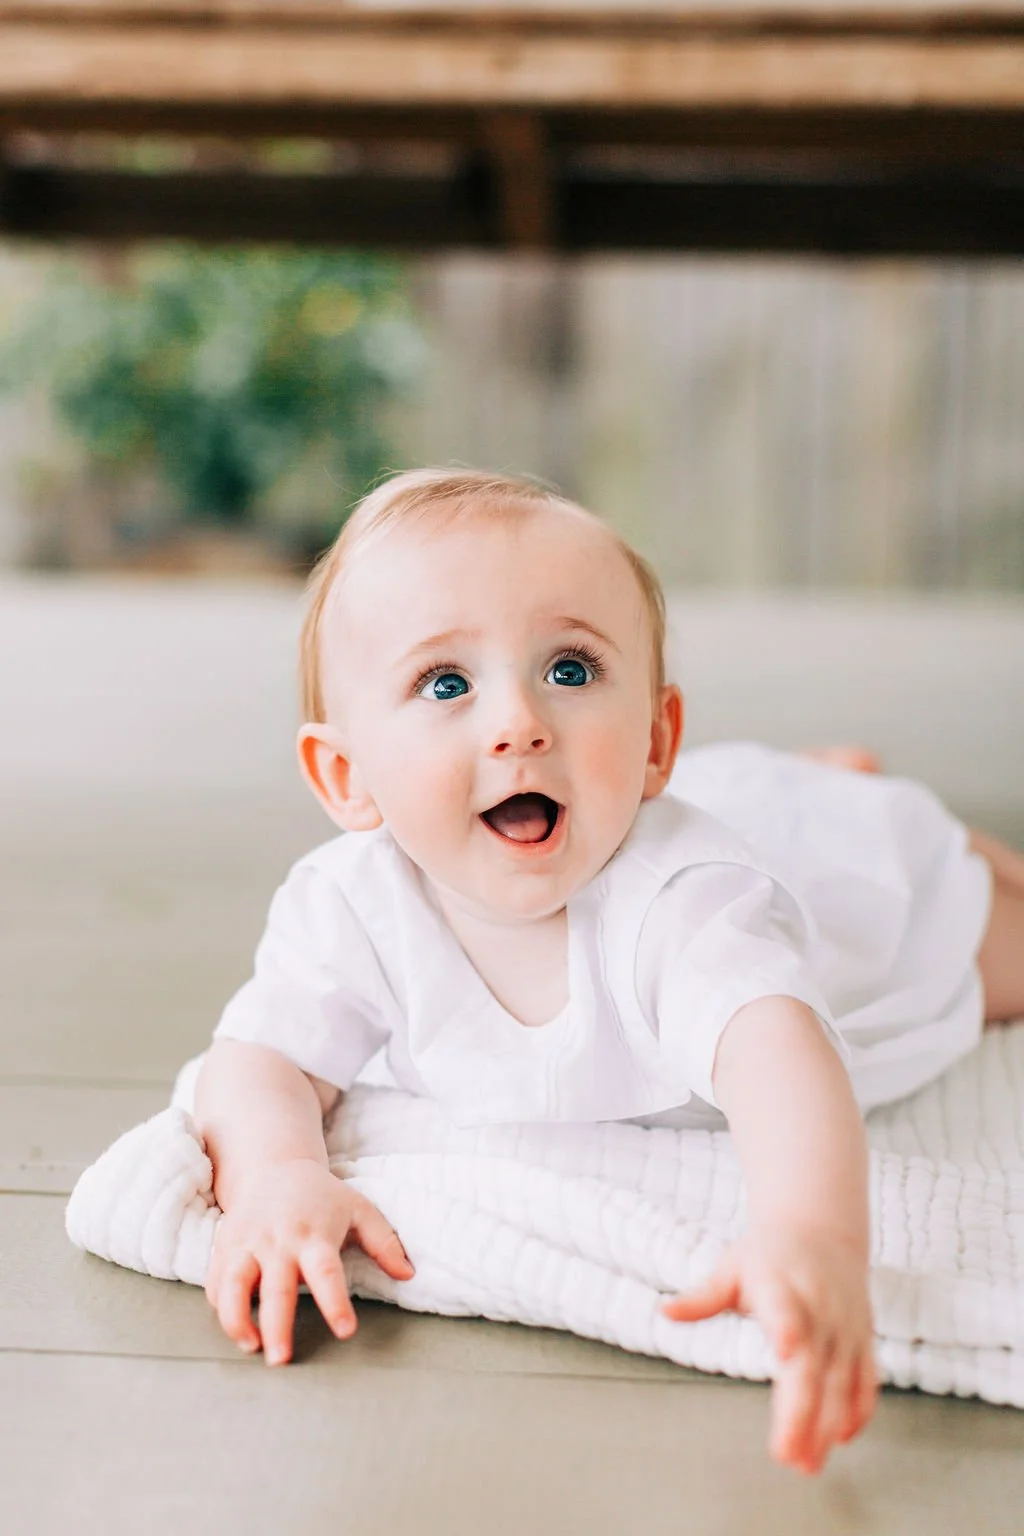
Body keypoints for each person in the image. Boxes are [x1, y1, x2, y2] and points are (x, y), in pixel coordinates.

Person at [194, 468, 1024, 1476]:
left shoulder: (687, 904)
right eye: (445, 683)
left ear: (654, 742)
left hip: (849, 905)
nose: (519, 723)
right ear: (345, 777)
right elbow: (258, 1059)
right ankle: (814, 771)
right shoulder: (349, 904)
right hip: (715, 809)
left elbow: (779, 1057)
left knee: (979, 939)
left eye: (572, 671)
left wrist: (809, 1236)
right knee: (770, 804)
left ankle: (878, 810)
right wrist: (280, 1177)